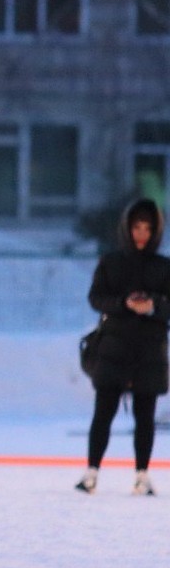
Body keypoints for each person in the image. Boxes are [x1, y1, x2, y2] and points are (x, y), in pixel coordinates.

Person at [77, 197, 170, 496]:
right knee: (103, 412)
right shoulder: (111, 262)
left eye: (147, 228)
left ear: (156, 231)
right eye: (136, 227)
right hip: (114, 348)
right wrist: (124, 304)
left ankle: (142, 475)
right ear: (126, 228)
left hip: (150, 350)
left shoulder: (164, 267)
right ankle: (91, 472)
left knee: (146, 416)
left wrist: (154, 305)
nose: (141, 234)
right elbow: (95, 298)